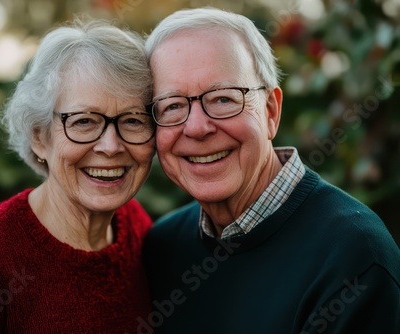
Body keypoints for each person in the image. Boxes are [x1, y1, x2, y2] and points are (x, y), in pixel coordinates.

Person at [142, 7, 400, 334]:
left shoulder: (354, 257)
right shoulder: (161, 247)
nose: (197, 127)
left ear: (271, 112)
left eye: (223, 99)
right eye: (173, 106)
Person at [0, 18, 156, 333]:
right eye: (84, 121)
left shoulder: (133, 225)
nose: (110, 146)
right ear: (40, 136)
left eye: (134, 120)